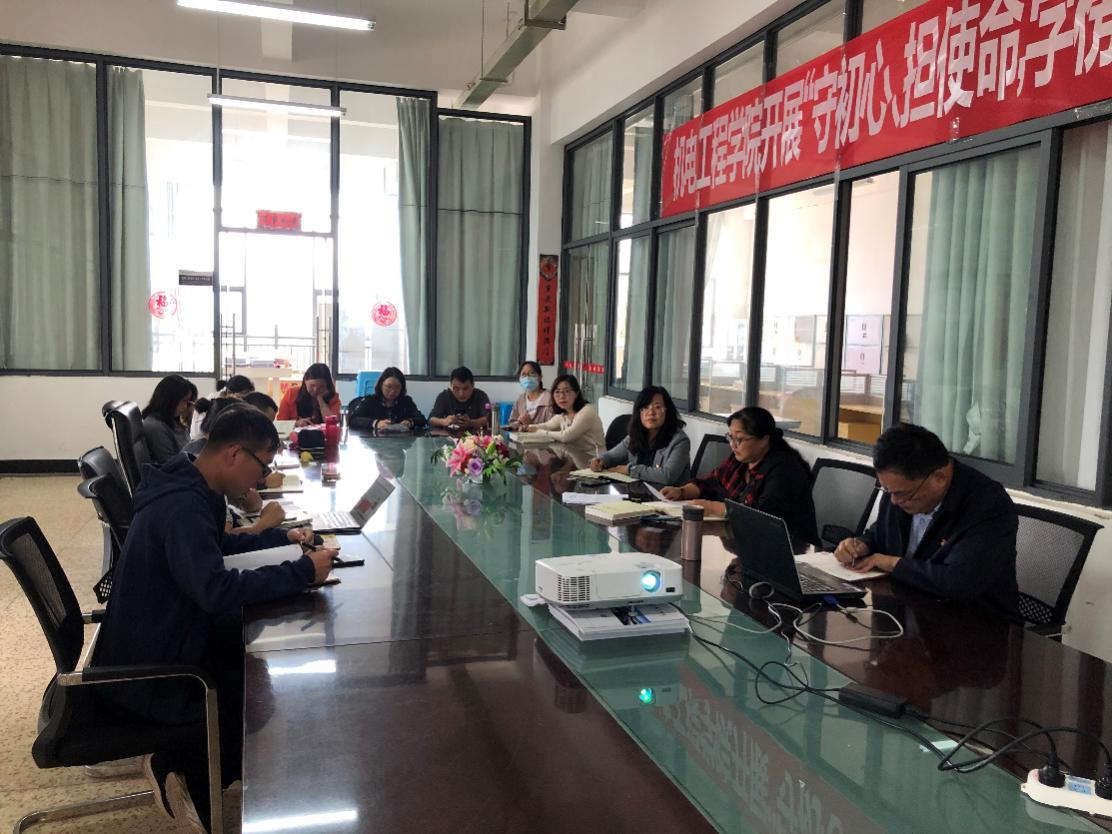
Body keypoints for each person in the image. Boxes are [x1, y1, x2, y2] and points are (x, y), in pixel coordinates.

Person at [93, 405, 336, 831]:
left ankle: (187, 765)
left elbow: (216, 550)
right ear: (235, 453)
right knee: (250, 692)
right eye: (262, 466)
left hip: (161, 637)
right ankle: (181, 770)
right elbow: (215, 590)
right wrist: (300, 572)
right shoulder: (183, 507)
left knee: (255, 671)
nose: (259, 480)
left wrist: (280, 539)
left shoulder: (189, 483)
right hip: (151, 674)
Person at [834, 423, 1021, 623]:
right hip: (906, 611)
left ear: (939, 478)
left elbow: (959, 582)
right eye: (887, 491)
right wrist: (862, 545)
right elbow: (882, 532)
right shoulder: (899, 489)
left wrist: (892, 563)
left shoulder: (988, 505)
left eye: (901, 494)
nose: (894, 501)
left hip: (975, 625)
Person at [662, 406, 819, 547]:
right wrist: (682, 491)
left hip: (789, 548)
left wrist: (712, 508)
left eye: (739, 439)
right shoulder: (740, 460)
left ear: (764, 440)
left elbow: (760, 516)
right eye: (730, 437)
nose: (733, 445)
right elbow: (712, 483)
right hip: (746, 542)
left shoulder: (784, 469)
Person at [590, 385, 690, 485]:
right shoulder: (635, 435)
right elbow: (612, 456)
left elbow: (667, 476)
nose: (650, 412)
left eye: (657, 407)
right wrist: (600, 461)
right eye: (645, 408)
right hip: (637, 492)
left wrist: (630, 470)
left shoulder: (679, 441)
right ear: (639, 413)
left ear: (667, 411)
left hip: (665, 494)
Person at [525, 374, 605, 464]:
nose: (562, 396)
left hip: (595, 461)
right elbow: (548, 425)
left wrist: (539, 431)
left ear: (576, 393)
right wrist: (528, 427)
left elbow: (565, 436)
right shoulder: (565, 412)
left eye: (566, 391)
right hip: (575, 458)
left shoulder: (586, 412)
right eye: (557, 392)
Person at [348, 366, 426, 432]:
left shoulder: (406, 401)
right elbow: (353, 419)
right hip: (374, 442)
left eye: (397, 387)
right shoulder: (369, 401)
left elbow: (422, 419)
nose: (393, 391)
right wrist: (376, 423)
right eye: (389, 386)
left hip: (399, 442)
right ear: (381, 385)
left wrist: (410, 422)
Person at [142, 375, 198, 464]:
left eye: (187, 402)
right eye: (184, 401)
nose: (185, 406)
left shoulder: (171, 421)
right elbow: (171, 464)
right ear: (171, 399)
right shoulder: (155, 427)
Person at [190, 375, 254, 439]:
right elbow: (198, 435)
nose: (246, 401)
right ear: (229, 392)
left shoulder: (228, 403)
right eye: (243, 397)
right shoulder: (215, 407)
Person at [277, 363, 341, 426]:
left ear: (327, 385)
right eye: (312, 385)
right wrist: (296, 423)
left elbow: (333, 422)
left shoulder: (333, 397)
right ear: (305, 381)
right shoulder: (291, 394)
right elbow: (280, 423)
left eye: (321, 387)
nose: (315, 390)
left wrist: (321, 401)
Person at [428, 366, 491, 431]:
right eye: (456, 388)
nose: (461, 394)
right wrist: (444, 421)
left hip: (475, 436)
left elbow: (486, 419)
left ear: (473, 385)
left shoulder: (481, 396)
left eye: (465, 389)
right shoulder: (444, 396)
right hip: (448, 436)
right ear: (451, 385)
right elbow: (431, 419)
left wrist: (471, 423)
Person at [508, 361, 554, 429]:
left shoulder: (549, 398)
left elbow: (554, 426)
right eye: (523, 374)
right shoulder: (521, 399)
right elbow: (512, 422)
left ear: (540, 376)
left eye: (532, 373)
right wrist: (519, 423)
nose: (527, 377)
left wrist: (531, 424)